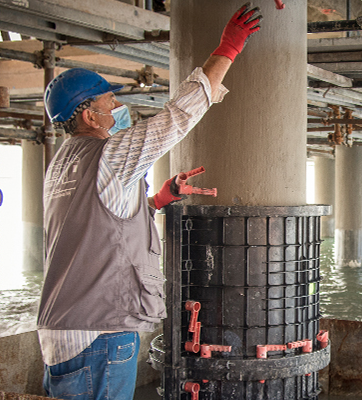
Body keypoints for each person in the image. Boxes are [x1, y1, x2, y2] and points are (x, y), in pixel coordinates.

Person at [36, 4, 262, 399]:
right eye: (109, 103)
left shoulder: (61, 165)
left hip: (59, 329)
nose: (117, 108)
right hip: (99, 332)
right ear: (89, 116)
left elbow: (96, 222)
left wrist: (158, 199)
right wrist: (228, 48)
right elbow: (177, 118)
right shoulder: (108, 154)